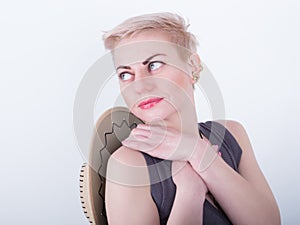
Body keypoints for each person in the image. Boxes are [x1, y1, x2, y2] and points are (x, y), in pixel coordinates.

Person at [102, 12, 280, 225]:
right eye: (125, 74)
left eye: (154, 65)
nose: (139, 85)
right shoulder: (129, 165)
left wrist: (198, 153)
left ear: (193, 66)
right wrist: (190, 192)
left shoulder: (232, 134)